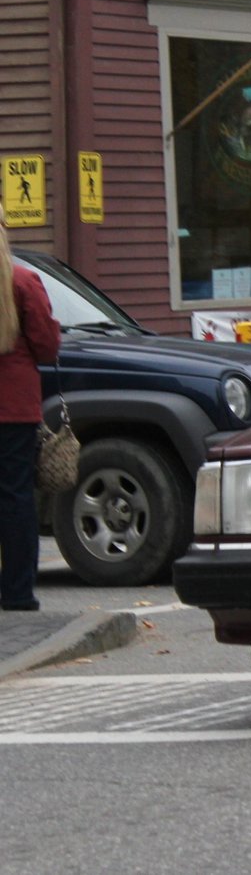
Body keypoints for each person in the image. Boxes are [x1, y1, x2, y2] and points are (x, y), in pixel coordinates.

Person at [0, 220, 61, 612]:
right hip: (13, 407)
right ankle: (18, 592)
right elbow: (47, 346)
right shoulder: (22, 282)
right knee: (16, 497)